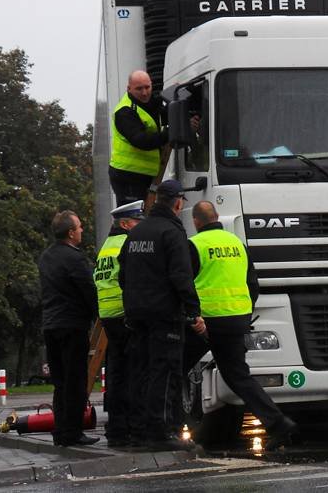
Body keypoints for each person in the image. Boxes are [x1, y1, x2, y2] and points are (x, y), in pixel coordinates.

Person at [188, 200, 298, 450]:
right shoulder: (237, 244)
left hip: (204, 322)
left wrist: (191, 315)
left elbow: (185, 285)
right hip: (237, 320)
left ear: (196, 222)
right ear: (216, 217)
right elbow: (253, 285)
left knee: (175, 368)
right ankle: (278, 424)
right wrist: (244, 313)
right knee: (239, 376)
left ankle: (167, 429)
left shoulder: (194, 245)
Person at [118, 180, 200, 451]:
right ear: (177, 202)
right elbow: (181, 276)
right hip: (165, 315)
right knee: (164, 372)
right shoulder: (171, 232)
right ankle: (161, 431)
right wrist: (193, 310)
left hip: (137, 314)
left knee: (141, 371)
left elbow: (123, 276)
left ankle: (139, 430)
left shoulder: (136, 233)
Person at [38, 210, 99, 447]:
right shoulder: (75, 258)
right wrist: (97, 315)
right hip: (72, 326)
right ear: (71, 233)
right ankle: (73, 432)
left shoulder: (46, 257)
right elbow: (87, 290)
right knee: (75, 381)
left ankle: (60, 430)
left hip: (51, 325)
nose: (82, 230)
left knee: (60, 381)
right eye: (80, 227)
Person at [93, 200, 144, 448]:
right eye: (136, 222)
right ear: (125, 223)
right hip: (125, 315)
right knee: (133, 373)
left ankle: (116, 428)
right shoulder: (127, 244)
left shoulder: (106, 246)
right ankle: (133, 428)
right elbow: (132, 279)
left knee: (115, 374)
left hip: (108, 316)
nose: (139, 227)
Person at [109, 70, 200, 206]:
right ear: (129, 89)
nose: (145, 92)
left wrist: (185, 116)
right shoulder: (124, 111)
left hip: (145, 174)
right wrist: (174, 129)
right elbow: (142, 141)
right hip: (127, 176)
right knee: (130, 219)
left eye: (147, 87)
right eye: (139, 89)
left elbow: (166, 114)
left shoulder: (151, 102)